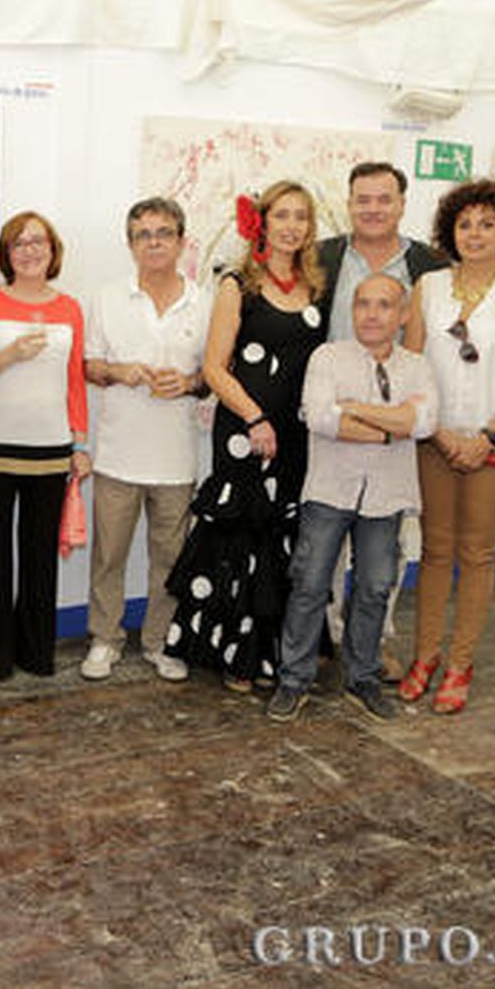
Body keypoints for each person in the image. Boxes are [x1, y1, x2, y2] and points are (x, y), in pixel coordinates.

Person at [166, 181, 327, 689]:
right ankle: (236, 656)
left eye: (301, 216)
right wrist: (255, 419)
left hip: (295, 437)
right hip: (246, 432)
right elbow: (215, 368)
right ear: (263, 222)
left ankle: (276, 652)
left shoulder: (316, 285)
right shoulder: (238, 283)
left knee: (283, 542)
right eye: (282, 215)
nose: (292, 226)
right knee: (241, 542)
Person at [267, 274, 437, 723]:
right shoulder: (327, 357)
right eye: (363, 304)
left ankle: (362, 677)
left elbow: (423, 424)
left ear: (402, 316)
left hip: (387, 494)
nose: (372, 314)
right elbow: (321, 417)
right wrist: (392, 427)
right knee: (309, 584)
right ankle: (294, 678)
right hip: (329, 489)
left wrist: (356, 408)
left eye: (384, 306)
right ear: (352, 309)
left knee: (376, 586)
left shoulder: (417, 366)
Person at [399, 179, 495, 714]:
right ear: (449, 231)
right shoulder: (428, 287)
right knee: (434, 551)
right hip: (434, 436)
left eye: (486, 223)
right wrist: (436, 432)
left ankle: (460, 663)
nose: (475, 234)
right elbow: (411, 364)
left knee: (477, 553)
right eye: (465, 224)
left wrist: (488, 437)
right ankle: (425, 656)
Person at [318, 163, 449, 679]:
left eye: (383, 198)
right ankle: (327, 637)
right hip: (332, 421)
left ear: (401, 203)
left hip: (396, 424)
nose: (372, 208)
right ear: (349, 203)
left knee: (386, 551)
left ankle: (374, 640)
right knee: (323, 545)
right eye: (362, 199)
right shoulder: (324, 256)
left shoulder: (430, 264)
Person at [82, 197, 212, 683]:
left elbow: (215, 372)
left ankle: (161, 641)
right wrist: (120, 371)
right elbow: (90, 366)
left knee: (170, 559)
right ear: (130, 244)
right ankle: (105, 639)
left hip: (176, 457)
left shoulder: (206, 300)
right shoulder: (108, 297)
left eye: (163, 233)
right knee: (109, 555)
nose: (154, 242)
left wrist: (190, 383)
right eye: (143, 234)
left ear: (180, 241)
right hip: (118, 453)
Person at [0, 211, 89, 679]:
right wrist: (7, 357)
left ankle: (37, 653)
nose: (30, 249)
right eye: (19, 242)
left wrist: (80, 444)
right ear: (7, 254)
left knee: (40, 558)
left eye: (38, 241)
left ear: (52, 249)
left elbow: (75, 382)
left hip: (51, 449)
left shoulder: (70, 308)